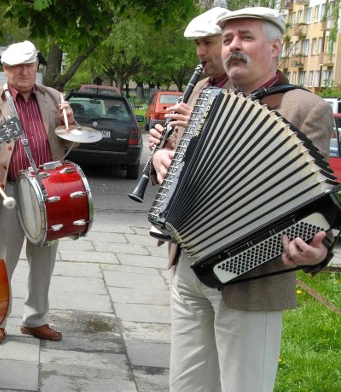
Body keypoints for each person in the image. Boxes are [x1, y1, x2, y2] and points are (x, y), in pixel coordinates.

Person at [150, 7, 334, 391]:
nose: (233, 46)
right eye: (229, 38)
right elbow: (182, 162)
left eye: (245, 37)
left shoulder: (305, 108)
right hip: (187, 261)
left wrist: (320, 251)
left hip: (253, 276)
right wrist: (159, 158)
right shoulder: (205, 94)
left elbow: (316, 201)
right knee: (186, 385)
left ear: (275, 47)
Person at [0, 40, 77, 345]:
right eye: (16, 67)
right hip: (7, 189)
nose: (23, 72)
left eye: (29, 65)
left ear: (37, 67)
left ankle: (35, 319)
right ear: (5, 69)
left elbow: (68, 141)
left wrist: (71, 124)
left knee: (43, 260)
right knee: (0, 260)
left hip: (48, 190)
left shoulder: (54, 97)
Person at [148, 7, 230, 155]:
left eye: (208, 43)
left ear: (228, 43)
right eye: (197, 44)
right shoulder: (198, 88)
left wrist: (202, 125)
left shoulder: (242, 92)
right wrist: (164, 148)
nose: (200, 52)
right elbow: (178, 142)